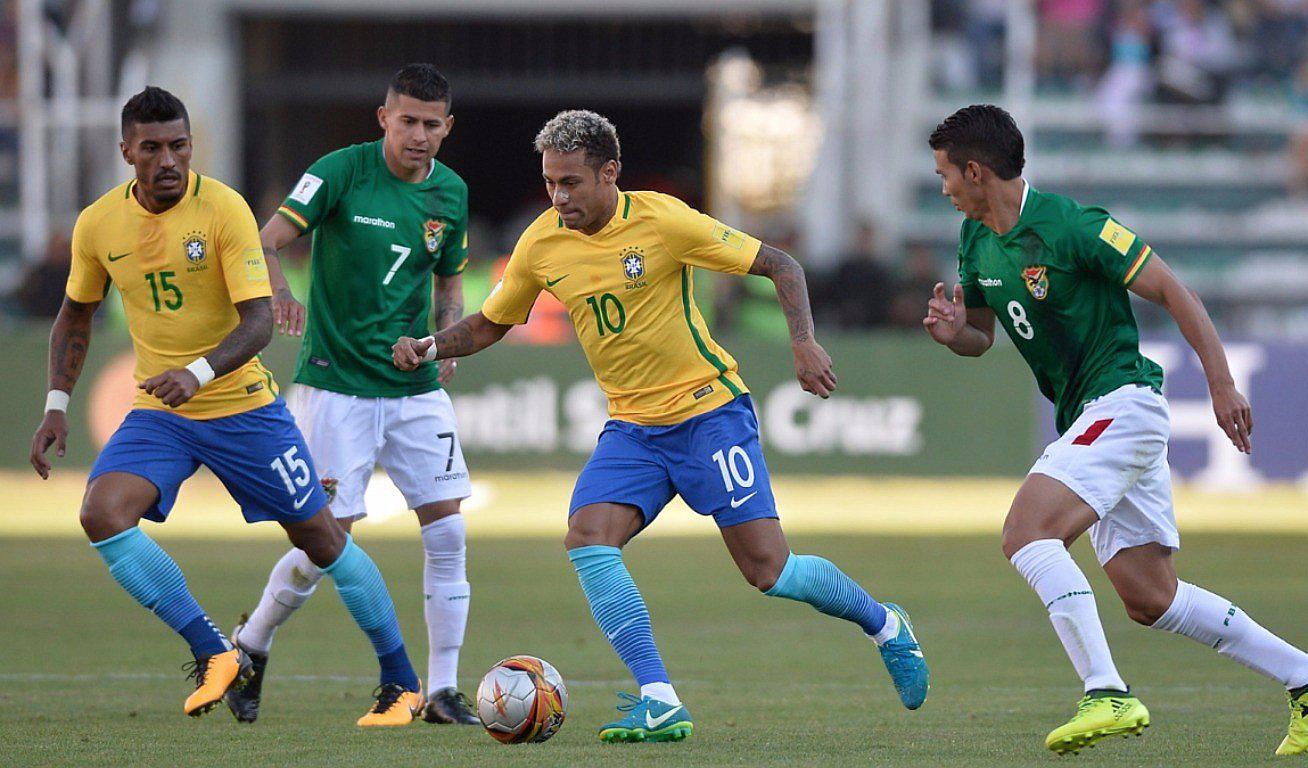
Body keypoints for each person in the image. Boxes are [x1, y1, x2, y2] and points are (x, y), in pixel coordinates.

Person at [392, 110, 929, 743]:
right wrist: (431, 345)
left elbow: (783, 266)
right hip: (634, 429)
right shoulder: (542, 243)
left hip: (709, 413)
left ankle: (887, 625)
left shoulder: (663, 220)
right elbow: (491, 321)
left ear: (609, 173)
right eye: (550, 184)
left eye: (571, 183)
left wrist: (804, 344)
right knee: (588, 536)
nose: (559, 197)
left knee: (770, 572)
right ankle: (659, 698)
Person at [923, 104, 1308, 756]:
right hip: (1089, 418)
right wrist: (957, 334)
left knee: (1026, 531)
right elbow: (982, 334)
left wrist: (1220, 383)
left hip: (1121, 403)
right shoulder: (974, 241)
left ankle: (1106, 691)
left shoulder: (1074, 227)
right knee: (1149, 597)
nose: (943, 187)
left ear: (977, 171)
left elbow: (1176, 291)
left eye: (946, 174)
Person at [27, 86, 424, 726]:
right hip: (163, 414)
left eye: (178, 146)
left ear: (191, 147)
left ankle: (402, 681)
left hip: (244, 409)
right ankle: (216, 652)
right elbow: (76, 313)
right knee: (102, 514)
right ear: (125, 150)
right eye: (151, 147)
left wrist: (200, 371)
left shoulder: (223, 211)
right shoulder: (98, 224)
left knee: (323, 539)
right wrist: (55, 404)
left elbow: (261, 320)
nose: (167, 160)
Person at [227, 63, 478, 726]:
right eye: (407, 121)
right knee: (323, 543)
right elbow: (266, 239)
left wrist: (444, 342)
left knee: (448, 530)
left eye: (431, 124)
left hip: (415, 387)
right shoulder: (341, 170)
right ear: (384, 118)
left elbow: (449, 286)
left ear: (446, 127)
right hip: (336, 388)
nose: (418, 135)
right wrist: (279, 293)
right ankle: (251, 645)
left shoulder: (451, 194)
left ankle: (444, 690)